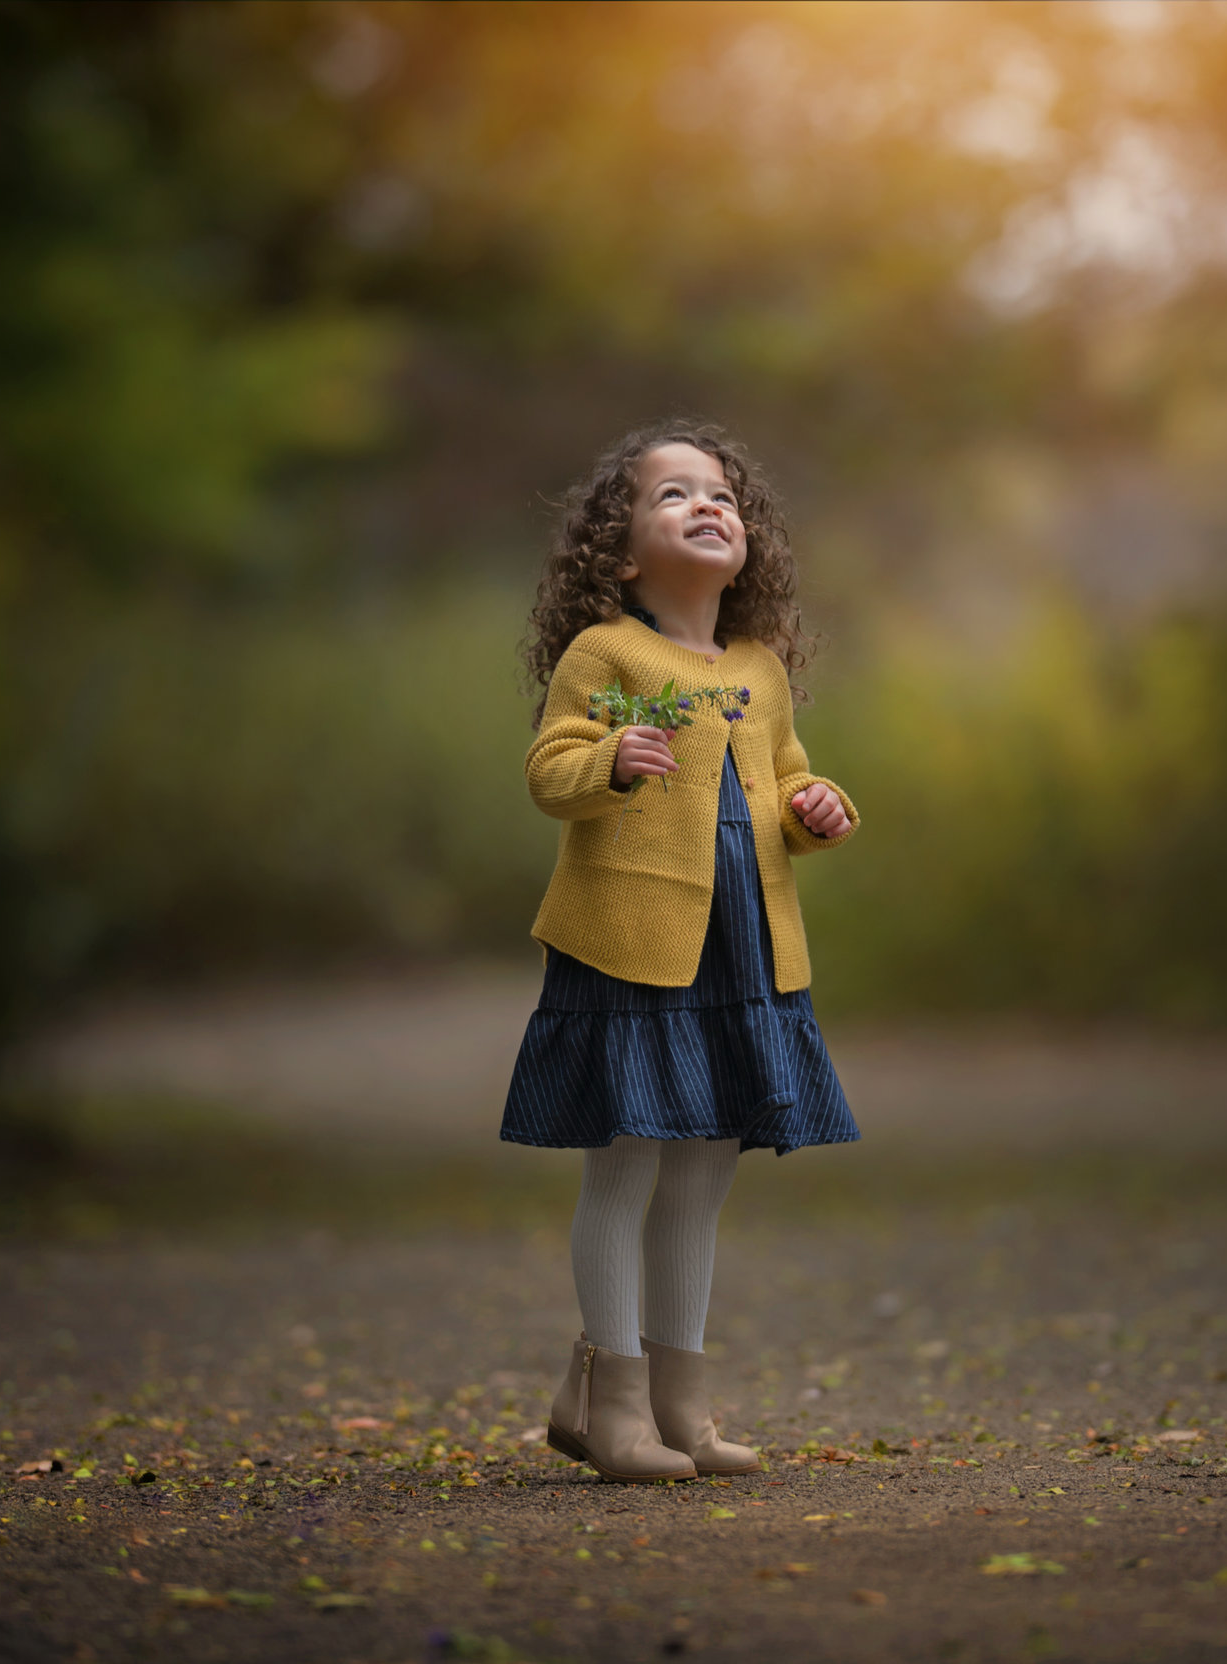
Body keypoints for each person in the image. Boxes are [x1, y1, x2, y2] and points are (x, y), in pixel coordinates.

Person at [504, 422, 861, 1484]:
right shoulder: (605, 653)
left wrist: (816, 806)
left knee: (704, 1173)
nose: (709, 506)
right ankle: (612, 1404)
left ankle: (679, 1404)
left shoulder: (757, 666)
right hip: (628, 942)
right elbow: (549, 768)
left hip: (740, 945)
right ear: (617, 552)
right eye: (673, 495)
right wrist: (611, 757)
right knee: (625, 1162)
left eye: (723, 496)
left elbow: (783, 780)